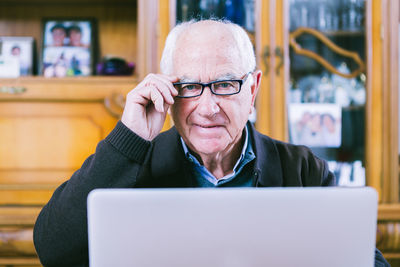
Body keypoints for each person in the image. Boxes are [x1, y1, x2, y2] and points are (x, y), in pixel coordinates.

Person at [33, 19, 390, 267]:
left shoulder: (303, 168)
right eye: (189, 86)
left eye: (224, 84)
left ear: (253, 89)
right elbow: (53, 250)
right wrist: (128, 138)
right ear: (168, 91)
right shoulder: (134, 162)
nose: (208, 107)